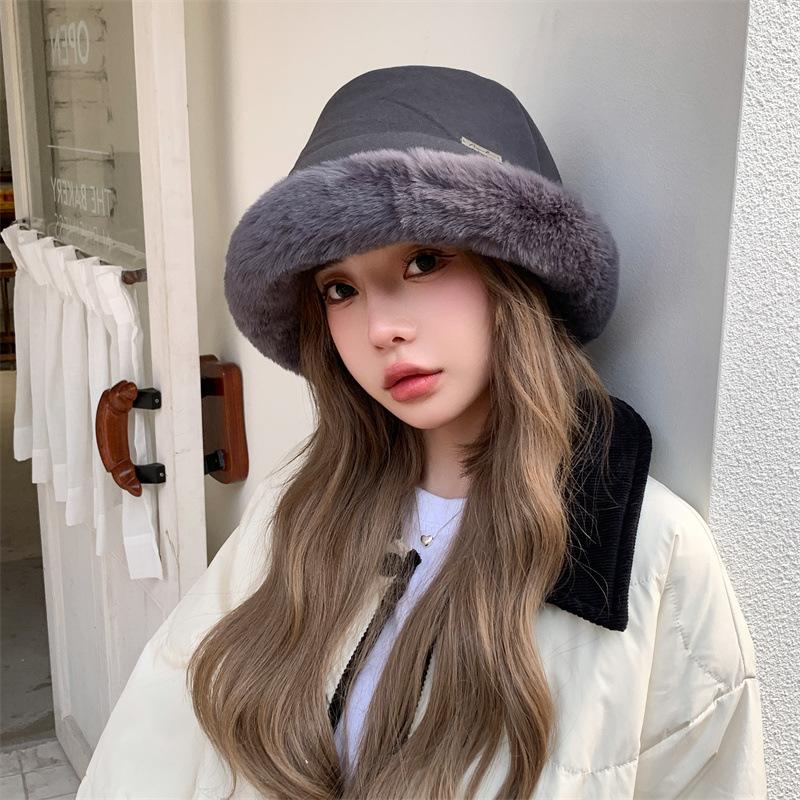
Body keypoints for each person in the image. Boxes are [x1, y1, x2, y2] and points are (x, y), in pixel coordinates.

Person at [76, 65, 767, 799]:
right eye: (339, 288)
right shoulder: (297, 511)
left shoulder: (652, 560)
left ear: (517, 274)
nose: (380, 327)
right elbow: (153, 747)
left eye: (424, 260)